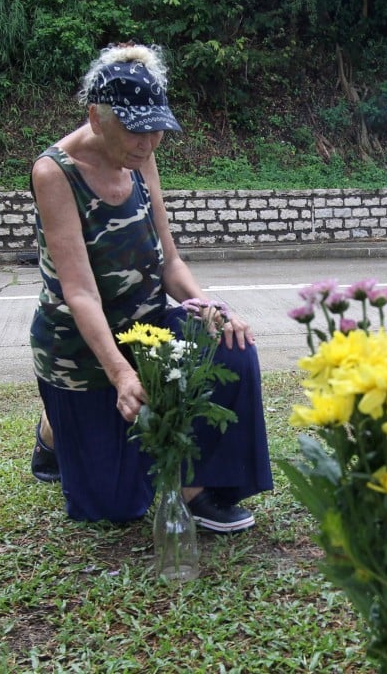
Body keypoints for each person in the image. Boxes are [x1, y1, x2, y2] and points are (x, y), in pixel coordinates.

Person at [28, 42, 272, 531]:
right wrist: (120, 374)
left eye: (157, 128)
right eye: (136, 131)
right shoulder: (55, 173)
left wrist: (208, 306)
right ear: (96, 117)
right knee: (114, 507)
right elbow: (80, 293)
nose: (148, 143)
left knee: (231, 346)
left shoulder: (140, 157)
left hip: (149, 326)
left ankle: (197, 487)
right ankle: (55, 431)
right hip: (81, 350)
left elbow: (171, 261)